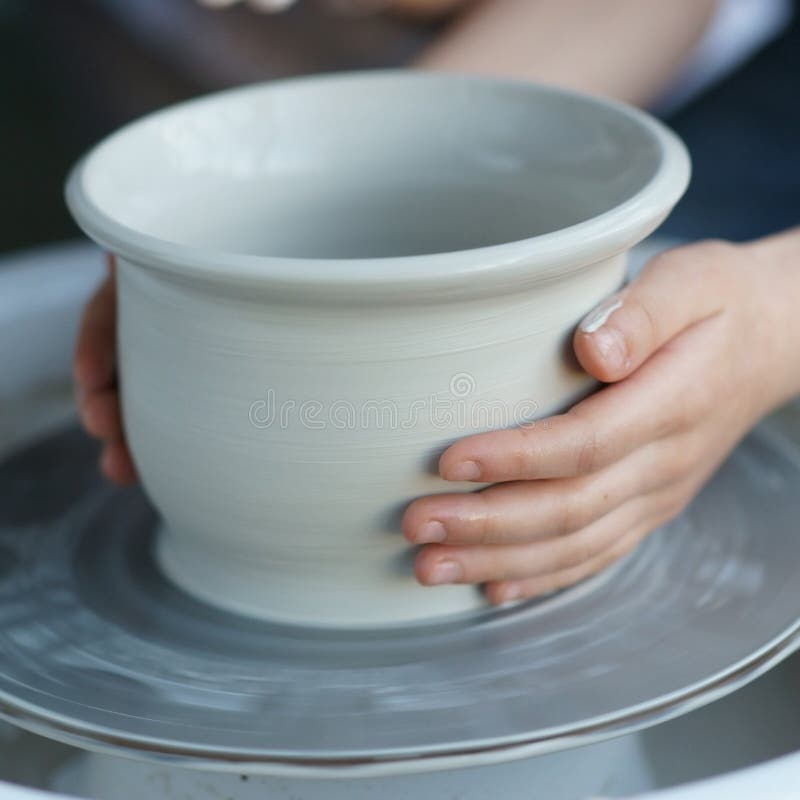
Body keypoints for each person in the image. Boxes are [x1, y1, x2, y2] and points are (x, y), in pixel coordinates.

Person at [74, 0, 800, 604]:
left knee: (684, 295)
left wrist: (771, 319)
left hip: (736, 84)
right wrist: (176, 265)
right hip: (210, 82)